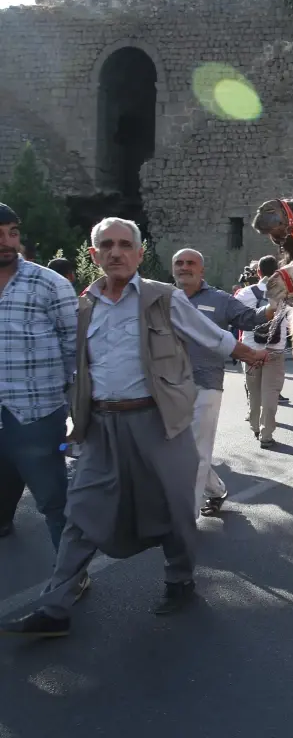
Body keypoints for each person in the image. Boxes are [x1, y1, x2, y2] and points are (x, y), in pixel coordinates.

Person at [0, 218, 267, 638]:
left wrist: (252, 354)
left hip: (158, 422)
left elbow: (211, 335)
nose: (116, 252)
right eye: (106, 245)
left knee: (178, 508)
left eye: (126, 245)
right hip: (101, 425)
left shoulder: (164, 298)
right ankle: (55, 609)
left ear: (140, 254)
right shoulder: (81, 306)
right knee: (80, 514)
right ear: (94, 256)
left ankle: (179, 580)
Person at [173, 248, 273, 517]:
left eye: (190, 263)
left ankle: (186, 519)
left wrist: (275, 307)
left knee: (196, 451)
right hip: (167, 387)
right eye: (179, 263)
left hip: (205, 383)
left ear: (201, 270)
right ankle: (216, 490)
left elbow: (250, 319)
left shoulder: (219, 299)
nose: (184, 267)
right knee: (174, 449)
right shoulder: (163, 299)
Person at [0, 203, 77, 549]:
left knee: (53, 500)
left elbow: (76, 347)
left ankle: (71, 575)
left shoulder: (49, 284)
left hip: (36, 413)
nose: (7, 241)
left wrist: (78, 408)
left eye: (12, 233)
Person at [234, 255, 289, 448]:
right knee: (271, 392)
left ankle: (255, 426)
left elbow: (238, 319)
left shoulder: (244, 293)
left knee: (254, 391)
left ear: (258, 272)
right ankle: (267, 434)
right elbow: (289, 323)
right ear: (277, 272)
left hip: (249, 349)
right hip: (275, 349)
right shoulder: (285, 294)